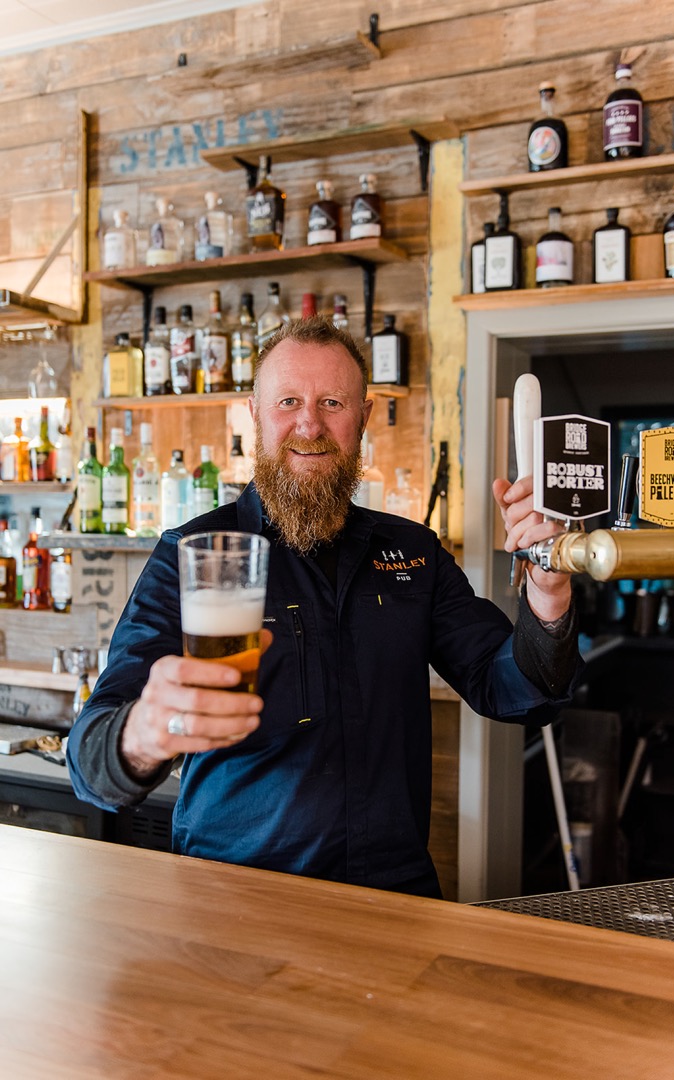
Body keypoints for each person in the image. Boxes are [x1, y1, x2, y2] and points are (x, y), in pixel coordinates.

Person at [67, 317, 581, 899]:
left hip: (392, 897)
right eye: (287, 401)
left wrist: (548, 590)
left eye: (332, 402)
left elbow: (513, 689)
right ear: (254, 414)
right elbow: (91, 764)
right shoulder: (194, 556)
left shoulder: (412, 551)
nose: (309, 424)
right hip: (233, 902)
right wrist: (144, 732)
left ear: (362, 417)